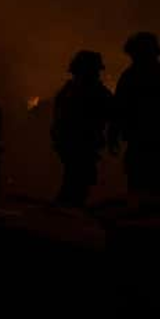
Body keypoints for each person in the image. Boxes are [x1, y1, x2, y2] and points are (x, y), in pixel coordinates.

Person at [113, 32, 160, 196]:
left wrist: (115, 133)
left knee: (141, 187)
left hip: (143, 143)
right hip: (156, 142)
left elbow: (118, 108)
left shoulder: (129, 76)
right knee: (156, 187)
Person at [51, 50, 114, 206]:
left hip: (71, 146)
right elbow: (114, 111)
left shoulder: (67, 91)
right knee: (77, 184)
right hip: (81, 146)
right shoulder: (92, 92)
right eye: (95, 70)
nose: (98, 74)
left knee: (74, 182)